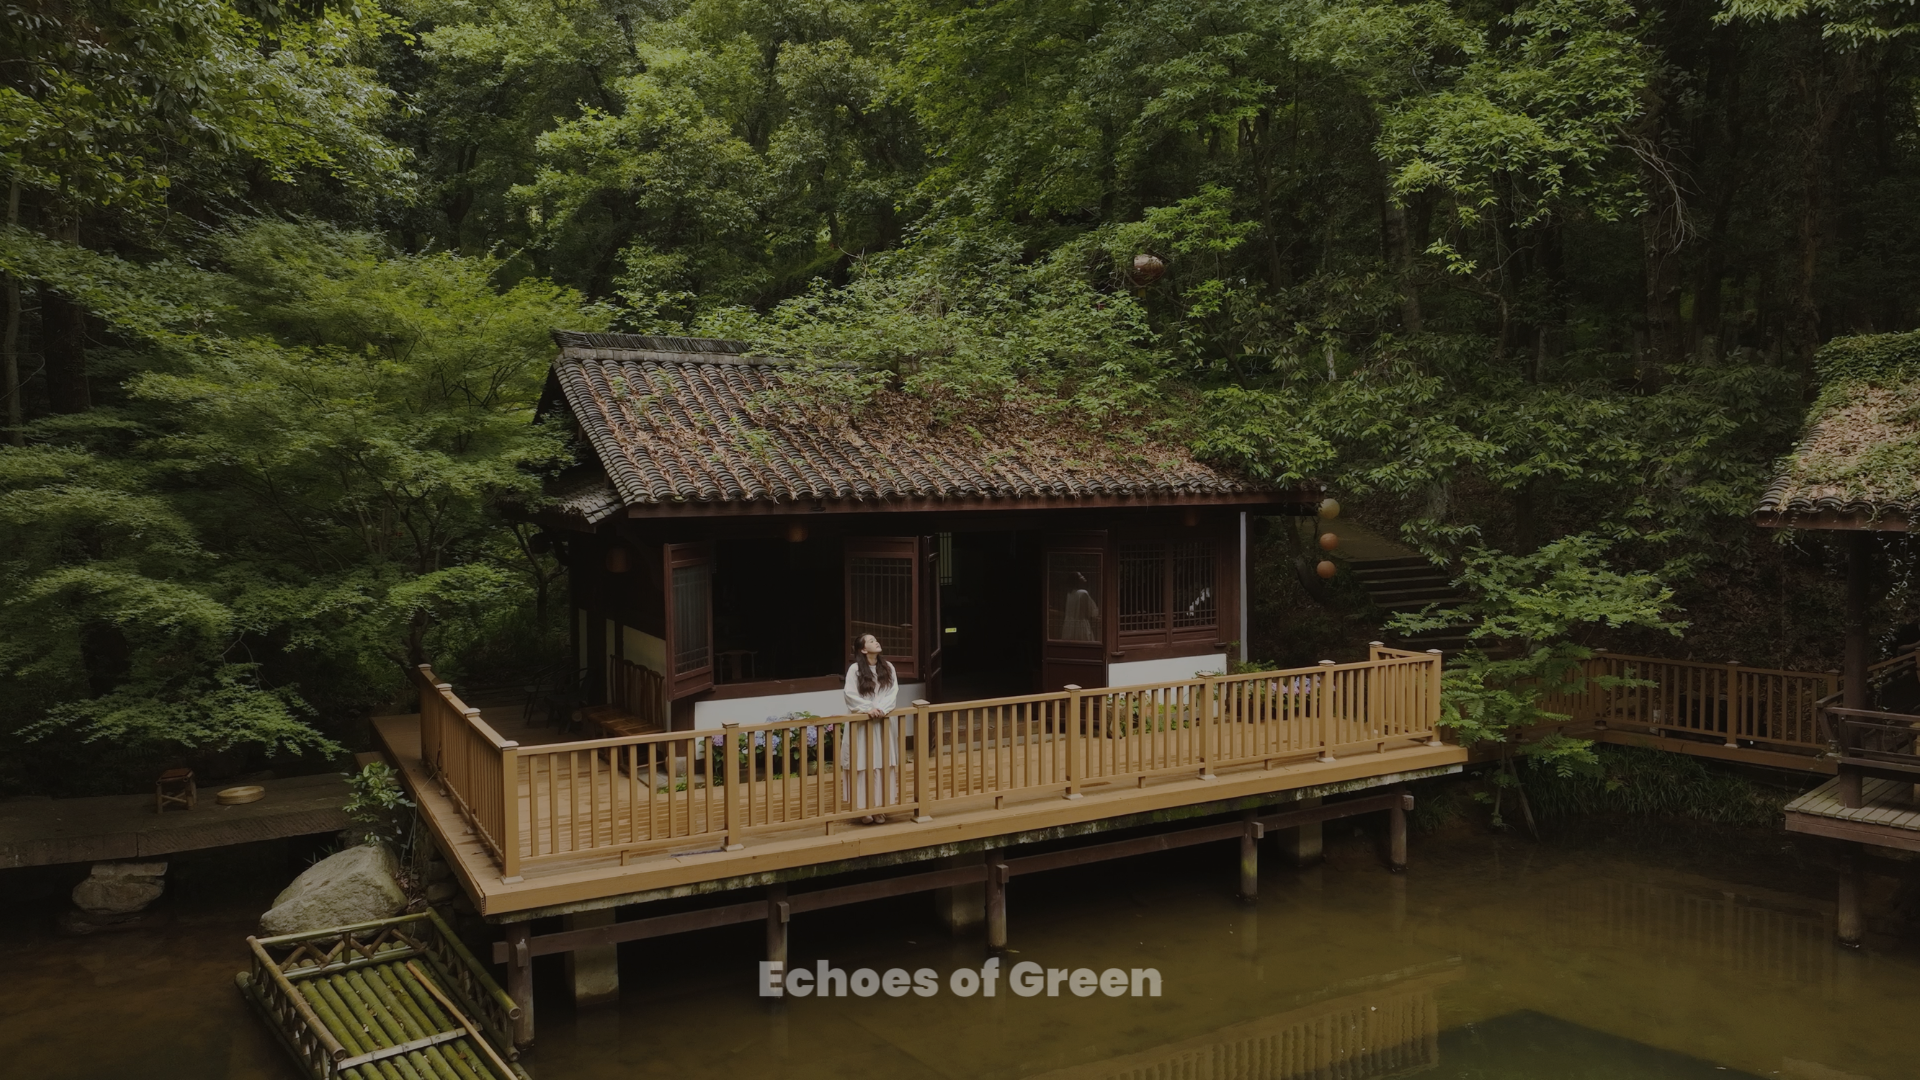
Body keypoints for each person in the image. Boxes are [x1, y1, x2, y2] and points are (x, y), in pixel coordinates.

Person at [843, 633, 899, 822]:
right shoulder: (855, 669)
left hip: (882, 720)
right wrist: (869, 709)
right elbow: (850, 695)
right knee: (863, 762)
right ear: (863, 649)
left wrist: (881, 709)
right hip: (862, 721)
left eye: (876, 639)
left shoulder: (888, 667)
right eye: (871, 641)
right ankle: (863, 808)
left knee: (882, 761)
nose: (877, 641)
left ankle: (879, 807)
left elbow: (892, 692)